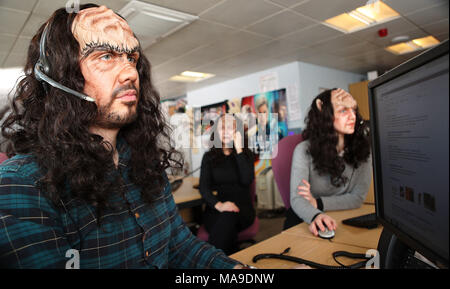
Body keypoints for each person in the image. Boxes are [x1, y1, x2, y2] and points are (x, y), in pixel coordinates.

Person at [0, 4, 247, 269]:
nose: (131, 73)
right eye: (105, 56)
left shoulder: (145, 162)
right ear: (58, 77)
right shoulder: (20, 186)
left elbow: (179, 246)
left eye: (131, 58)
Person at [285, 88, 372, 236]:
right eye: (343, 110)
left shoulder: (363, 149)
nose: (353, 116)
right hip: (307, 216)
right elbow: (298, 198)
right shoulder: (303, 150)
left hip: (342, 216)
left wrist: (318, 202)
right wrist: (316, 214)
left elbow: (357, 197)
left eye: (354, 110)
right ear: (324, 114)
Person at [199, 114, 255, 255]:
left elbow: (247, 180)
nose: (225, 131)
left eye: (231, 128)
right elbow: (204, 188)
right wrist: (221, 206)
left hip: (242, 209)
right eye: (222, 128)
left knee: (226, 222)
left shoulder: (246, 154)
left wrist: (239, 150)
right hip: (216, 208)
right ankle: (229, 261)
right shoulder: (209, 157)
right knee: (225, 223)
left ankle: (214, 261)